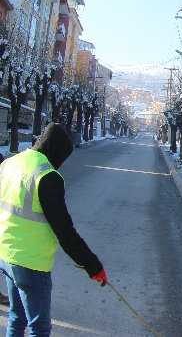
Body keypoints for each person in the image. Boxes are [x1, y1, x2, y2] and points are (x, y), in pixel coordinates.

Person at [0, 123, 107, 337]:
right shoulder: (47, 176)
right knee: (39, 328)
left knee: (16, 318)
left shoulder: (10, 163)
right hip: (31, 263)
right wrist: (93, 266)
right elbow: (65, 232)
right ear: (56, 151)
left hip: (6, 254)